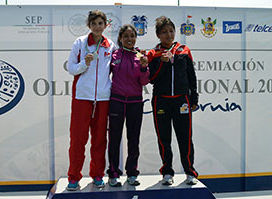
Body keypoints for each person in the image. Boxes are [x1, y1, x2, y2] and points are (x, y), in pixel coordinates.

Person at [66, 10, 116, 191]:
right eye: (94, 23)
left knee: (100, 139)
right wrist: (84, 64)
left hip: (103, 98)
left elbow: (115, 71)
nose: (97, 27)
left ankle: (97, 175)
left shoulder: (110, 45)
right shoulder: (80, 43)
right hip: (82, 98)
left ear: (105, 25)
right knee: (78, 139)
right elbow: (71, 69)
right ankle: (73, 177)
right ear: (89, 25)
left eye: (100, 23)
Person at [147, 16, 199, 185]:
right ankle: (167, 172)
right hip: (161, 101)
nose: (168, 35)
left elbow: (192, 77)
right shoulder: (154, 54)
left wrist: (194, 97)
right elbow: (151, 78)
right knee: (164, 139)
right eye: (164, 32)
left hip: (181, 100)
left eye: (171, 31)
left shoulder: (184, 50)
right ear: (158, 35)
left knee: (185, 138)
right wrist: (162, 62)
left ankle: (190, 171)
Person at [106, 24, 149, 187]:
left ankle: (132, 173)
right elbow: (104, 75)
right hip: (116, 101)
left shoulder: (140, 56)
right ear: (121, 38)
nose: (129, 39)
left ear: (135, 38)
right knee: (114, 139)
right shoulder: (114, 54)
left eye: (132, 36)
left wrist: (144, 67)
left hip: (135, 103)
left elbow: (145, 81)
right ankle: (113, 174)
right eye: (126, 36)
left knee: (134, 140)